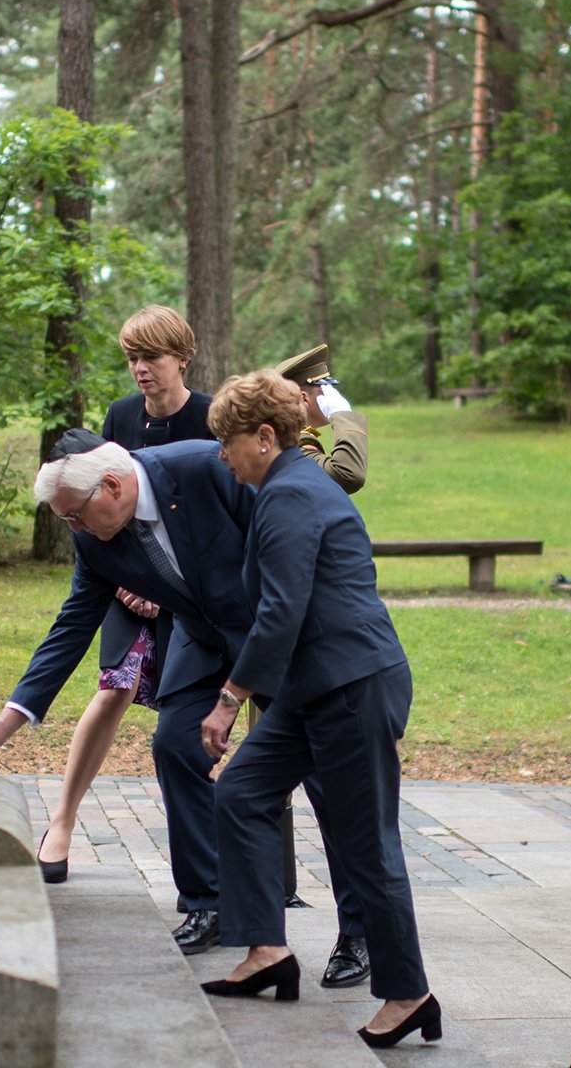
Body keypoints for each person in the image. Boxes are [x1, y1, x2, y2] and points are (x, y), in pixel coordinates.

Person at [196, 371, 439, 1050]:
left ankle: (408, 993)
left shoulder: (292, 497)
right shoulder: (286, 489)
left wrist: (228, 700)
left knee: (367, 846)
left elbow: (281, 612)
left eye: (228, 441)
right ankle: (266, 951)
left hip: (354, 685)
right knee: (242, 792)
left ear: (265, 437)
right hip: (316, 688)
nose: (222, 455)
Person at [0, 434, 257, 956]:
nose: (74, 529)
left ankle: (359, 929)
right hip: (204, 642)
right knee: (175, 746)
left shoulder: (205, 468)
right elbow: (73, 624)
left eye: (75, 516)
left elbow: (281, 541)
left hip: (276, 631)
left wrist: (249, 681)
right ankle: (210, 903)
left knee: (318, 764)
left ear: (112, 486)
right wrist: (5, 722)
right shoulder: (93, 538)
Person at [35, 306, 215, 899]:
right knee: (114, 685)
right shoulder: (119, 417)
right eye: (133, 359)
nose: (141, 370)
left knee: (187, 719)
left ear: (181, 359)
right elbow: (104, 508)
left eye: (152, 358)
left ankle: (229, 858)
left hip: (192, 593)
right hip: (122, 583)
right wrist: (126, 586)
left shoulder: (209, 417)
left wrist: (164, 595)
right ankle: (60, 822)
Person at [275, 341, 373, 989]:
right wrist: (351, 420)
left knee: (334, 801)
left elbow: (346, 479)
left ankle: (360, 932)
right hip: (277, 652)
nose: (322, 400)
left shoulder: (302, 454)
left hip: (323, 653)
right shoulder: (285, 453)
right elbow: (351, 472)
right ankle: (257, 929)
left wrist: (344, 422)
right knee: (256, 791)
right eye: (320, 392)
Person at [278, 343, 368, 494]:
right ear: (303, 398)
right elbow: (348, 475)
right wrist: (342, 413)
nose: (333, 394)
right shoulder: (295, 444)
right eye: (325, 388)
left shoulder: (292, 436)